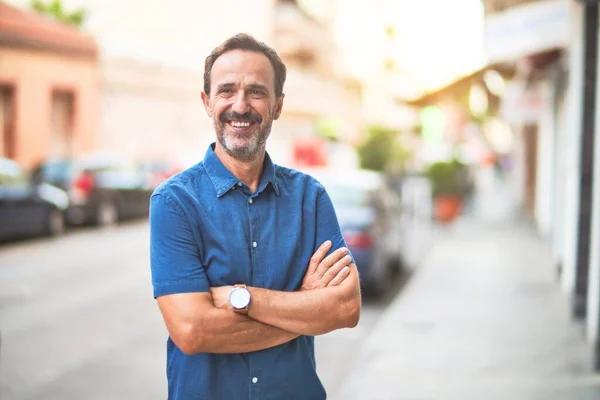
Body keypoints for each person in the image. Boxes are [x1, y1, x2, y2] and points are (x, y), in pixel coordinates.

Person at [149, 33, 361, 400]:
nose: (240, 105)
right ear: (207, 101)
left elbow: (345, 307)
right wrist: (303, 305)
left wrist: (241, 299)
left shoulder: (310, 198)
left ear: (278, 105)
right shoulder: (174, 202)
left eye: (257, 92)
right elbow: (192, 331)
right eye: (227, 90)